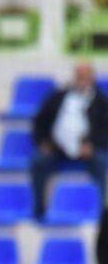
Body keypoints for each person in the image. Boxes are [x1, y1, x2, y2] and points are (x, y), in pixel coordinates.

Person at [31, 63, 108, 220]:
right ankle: (39, 210)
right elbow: (40, 122)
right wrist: (43, 143)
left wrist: (93, 145)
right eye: (79, 76)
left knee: (101, 162)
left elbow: (105, 129)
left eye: (86, 77)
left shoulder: (101, 101)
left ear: (93, 78)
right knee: (38, 162)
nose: (82, 80)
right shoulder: (58, 96)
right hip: (57, 148)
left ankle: (100, 213)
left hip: (88, 149)